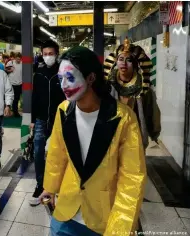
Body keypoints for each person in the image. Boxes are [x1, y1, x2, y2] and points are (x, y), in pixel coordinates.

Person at [39, 46, 146, 236]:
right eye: (61, 78)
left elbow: (132, 177)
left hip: (104, 217)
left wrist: (121, 226)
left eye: (70, 78)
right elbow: (57, 153)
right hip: (66, 211)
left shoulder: (123, 118)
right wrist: (50, 187)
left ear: (91, 78)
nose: (63, 85)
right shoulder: (63, 110)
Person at [104, 37, 161, 149]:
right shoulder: (108, 85)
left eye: (129, 60)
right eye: (120, 59)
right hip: (112, 135)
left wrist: (154, 133)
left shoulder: (144, 87)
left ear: (135, 64)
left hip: (136, 135)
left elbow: (152, 111)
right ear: (116, 62)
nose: (123, 63)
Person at [29, 40, 66, 206]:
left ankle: (59, 183)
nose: (48, 57)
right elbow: (34, 97)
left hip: (60, 118)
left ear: (57, 54)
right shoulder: (38, 72)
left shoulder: (64, 71)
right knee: (37, 151)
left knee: (59, 152)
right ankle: (40, 183)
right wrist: (31, 120)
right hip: (41, 119)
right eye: (45, 54)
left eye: (51, 54)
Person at [6, 52, 23, 117]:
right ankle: (8, 111)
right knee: (10, 98)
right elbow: (5, 70)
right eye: (17, 59)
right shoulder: (10, 63)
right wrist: (9, 70)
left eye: (19, 59)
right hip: (11, 84)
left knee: (16, 98)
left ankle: (15, 112)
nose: (18, 60)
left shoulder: (22, 64)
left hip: (19, 84)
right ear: (15, 58)